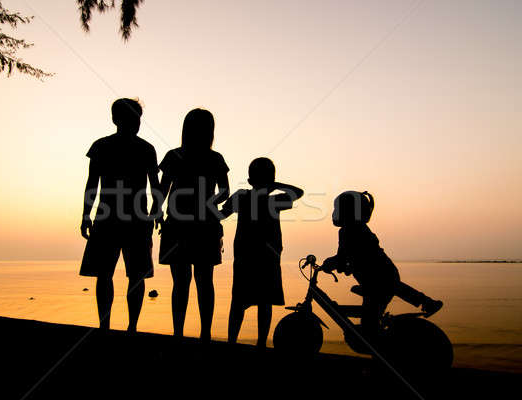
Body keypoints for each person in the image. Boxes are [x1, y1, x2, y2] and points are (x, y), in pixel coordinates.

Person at [79, 98, 161, 332]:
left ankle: (131, 326)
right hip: (110, 219)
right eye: (131, 119)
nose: (135, 123)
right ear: (116, 120)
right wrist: (86, 214)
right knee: (107, 275)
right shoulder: (103, 146)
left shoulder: (145, 149)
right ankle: (106, 325)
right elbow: (92, 183)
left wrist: (157, 210)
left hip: (133, 220)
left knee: (134, 276)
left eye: (137, 119)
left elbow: (154, 186)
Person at [321, 191, 443, 340]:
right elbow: (350, 257)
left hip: (377, 279)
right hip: (380, 276)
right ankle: (426, 302)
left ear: (349, 211)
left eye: (339, 209)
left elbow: (345, 256)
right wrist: (339, 264)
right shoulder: (357, 228)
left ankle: (378, 349)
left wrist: (330, 264)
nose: (335, 213)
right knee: (391, 288)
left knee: (369, 324)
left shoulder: (350, 230)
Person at [157, 108, 230, 342]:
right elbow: (225, 192)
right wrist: (209, 204)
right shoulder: (215, 158)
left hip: (177, 224)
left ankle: (179, 333)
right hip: (205, 226)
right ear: (211, 131)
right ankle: (205, 334)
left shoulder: (174, 155)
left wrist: (156, 212)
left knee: (181, 283)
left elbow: (162, 189)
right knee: (204, 282)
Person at [220, 157, 303, 348]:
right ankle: (261, 344)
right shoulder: (275, 200)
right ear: (271, 181)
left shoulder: (243, 196)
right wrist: (276, 184)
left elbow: (222, 214)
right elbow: (298, 193)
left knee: (240, 302)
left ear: (250, 181)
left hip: (247, 257)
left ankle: (233, 342)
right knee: (263, 303)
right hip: (264, 257)